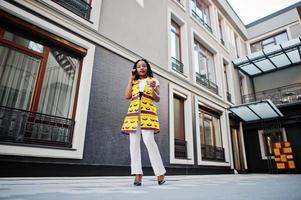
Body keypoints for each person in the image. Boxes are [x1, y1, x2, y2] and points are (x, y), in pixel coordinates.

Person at [121, 58, 166, 186]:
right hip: (133, 115)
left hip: (148, 114)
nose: (141, 68)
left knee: (149, 141)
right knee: (133, 144)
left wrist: (152, 89)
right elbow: (127, 96)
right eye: (139, 66)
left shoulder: (153, 80)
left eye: (144, 66)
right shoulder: (134, 81)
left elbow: (157, 99)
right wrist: (131, 78)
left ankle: (160, 172)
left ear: (147, 68)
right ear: (136, 69)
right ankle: (137, 174)